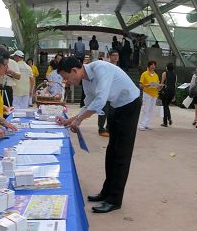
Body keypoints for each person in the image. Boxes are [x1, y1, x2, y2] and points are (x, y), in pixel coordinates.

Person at [55, 57, 141, 213]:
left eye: (66, 77)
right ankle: (106, 192)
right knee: (111, 151)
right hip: (116, 106)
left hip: (130, 105)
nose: (67, 81)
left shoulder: (101, 69)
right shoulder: (86, 79)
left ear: (74, 70)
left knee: (122, 154)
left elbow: (100, 100)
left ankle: (114, 200)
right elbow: (89, 104)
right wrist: (70, 120)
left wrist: (79, 120)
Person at [97, 50, 119, 137]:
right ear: (109, 57)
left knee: (112, 112)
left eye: (117, 55)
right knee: (103, 111)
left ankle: (109, 128)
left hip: (115, 94)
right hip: (105, 93)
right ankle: (101, 129)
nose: (115, 57)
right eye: (113, 55)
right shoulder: (106, 67)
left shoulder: (120, 68)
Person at [138, 60, 161, 131]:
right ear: (148, 66)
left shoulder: (156, 75)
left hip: (154, 94)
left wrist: (159, 86)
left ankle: (147, 124)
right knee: (145, 109)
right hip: (147, 93)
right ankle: (142, 124)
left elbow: (157, 85)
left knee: (151, 110)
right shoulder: (144, 74)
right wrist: (147, 85)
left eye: (154, 65)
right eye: (152, 65)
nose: (153, 66)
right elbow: (140, 85)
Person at [160, 62, 176, 127]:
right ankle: (169, 118)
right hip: (172, 92)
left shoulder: (165, 73)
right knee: (167, 106)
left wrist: (159, 89)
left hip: (166, 91)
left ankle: (165, 122)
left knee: (165, 106)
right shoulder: (175, 75)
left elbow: (162, 83)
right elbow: (174, 85)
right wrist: (174, 95)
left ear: (167, 67)